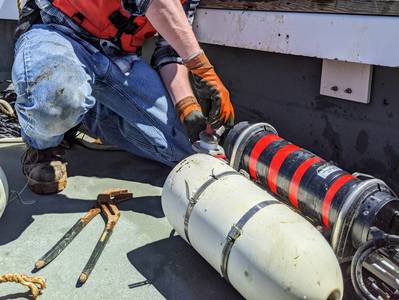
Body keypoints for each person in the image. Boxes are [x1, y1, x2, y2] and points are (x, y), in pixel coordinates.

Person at [13, 0, 235, 194]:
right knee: (53, 102)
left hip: (118, 59)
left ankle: (88, 113)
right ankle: (42, 148)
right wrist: (201, 67)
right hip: (59, 33)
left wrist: (186, 106)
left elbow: (170, 51)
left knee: (188, 150)